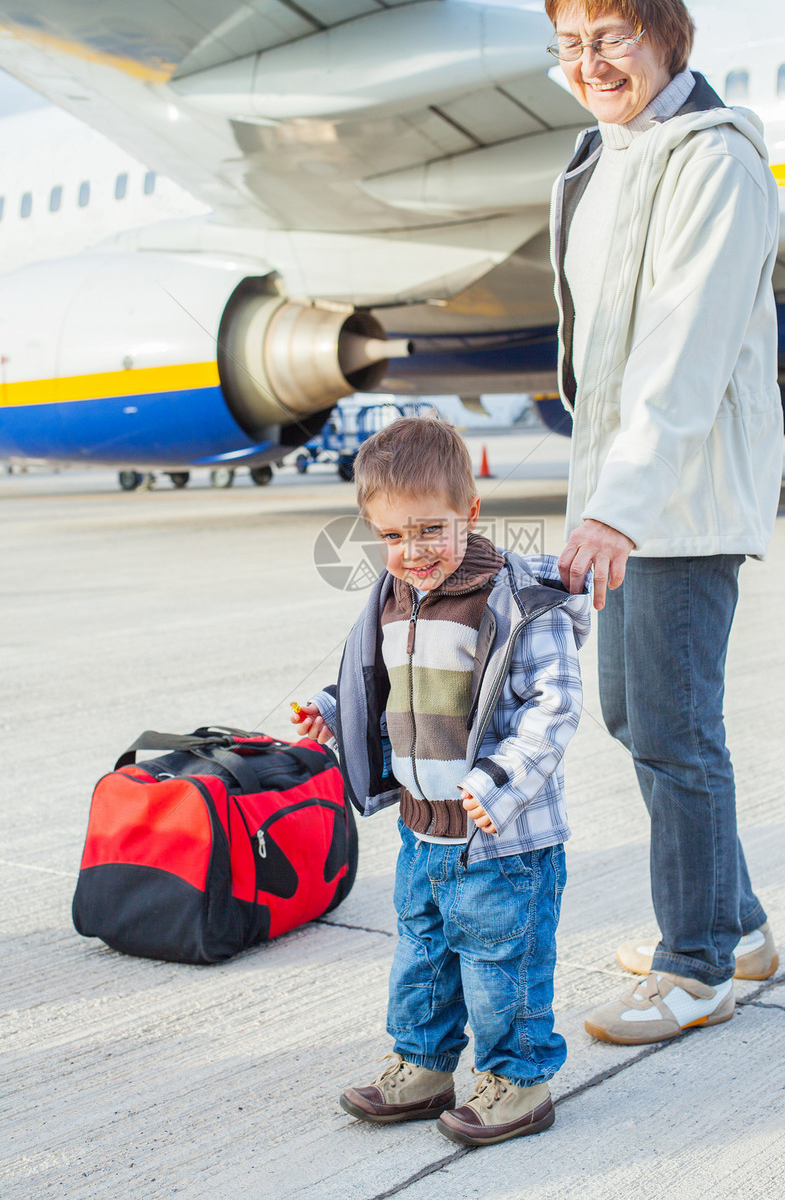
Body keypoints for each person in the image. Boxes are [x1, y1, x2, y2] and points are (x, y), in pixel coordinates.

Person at [545, 0, 783, 1045]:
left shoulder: (712, 159)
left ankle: (695, 969)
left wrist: (614, 508)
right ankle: (731, 923)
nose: (591, 62)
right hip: (631, 494)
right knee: (635, 712)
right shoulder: (606, 156)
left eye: (612, 35)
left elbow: (682, 356)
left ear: (664, 31)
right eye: (569, 41)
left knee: (675, 729)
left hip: (676, 501)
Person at [291, 416, 590, 1146]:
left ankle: (519, 1077)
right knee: (423, 949)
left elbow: (556, 706)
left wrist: (497, 782)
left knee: (501, 962)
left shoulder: (519, 601)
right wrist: (334, 711)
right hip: (423, 826)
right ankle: (423, 1064)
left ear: (472, 512)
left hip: (502, 837)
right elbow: (387, 682)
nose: (412, 552)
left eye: (430, 530)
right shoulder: (395, 598)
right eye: (392, 537)